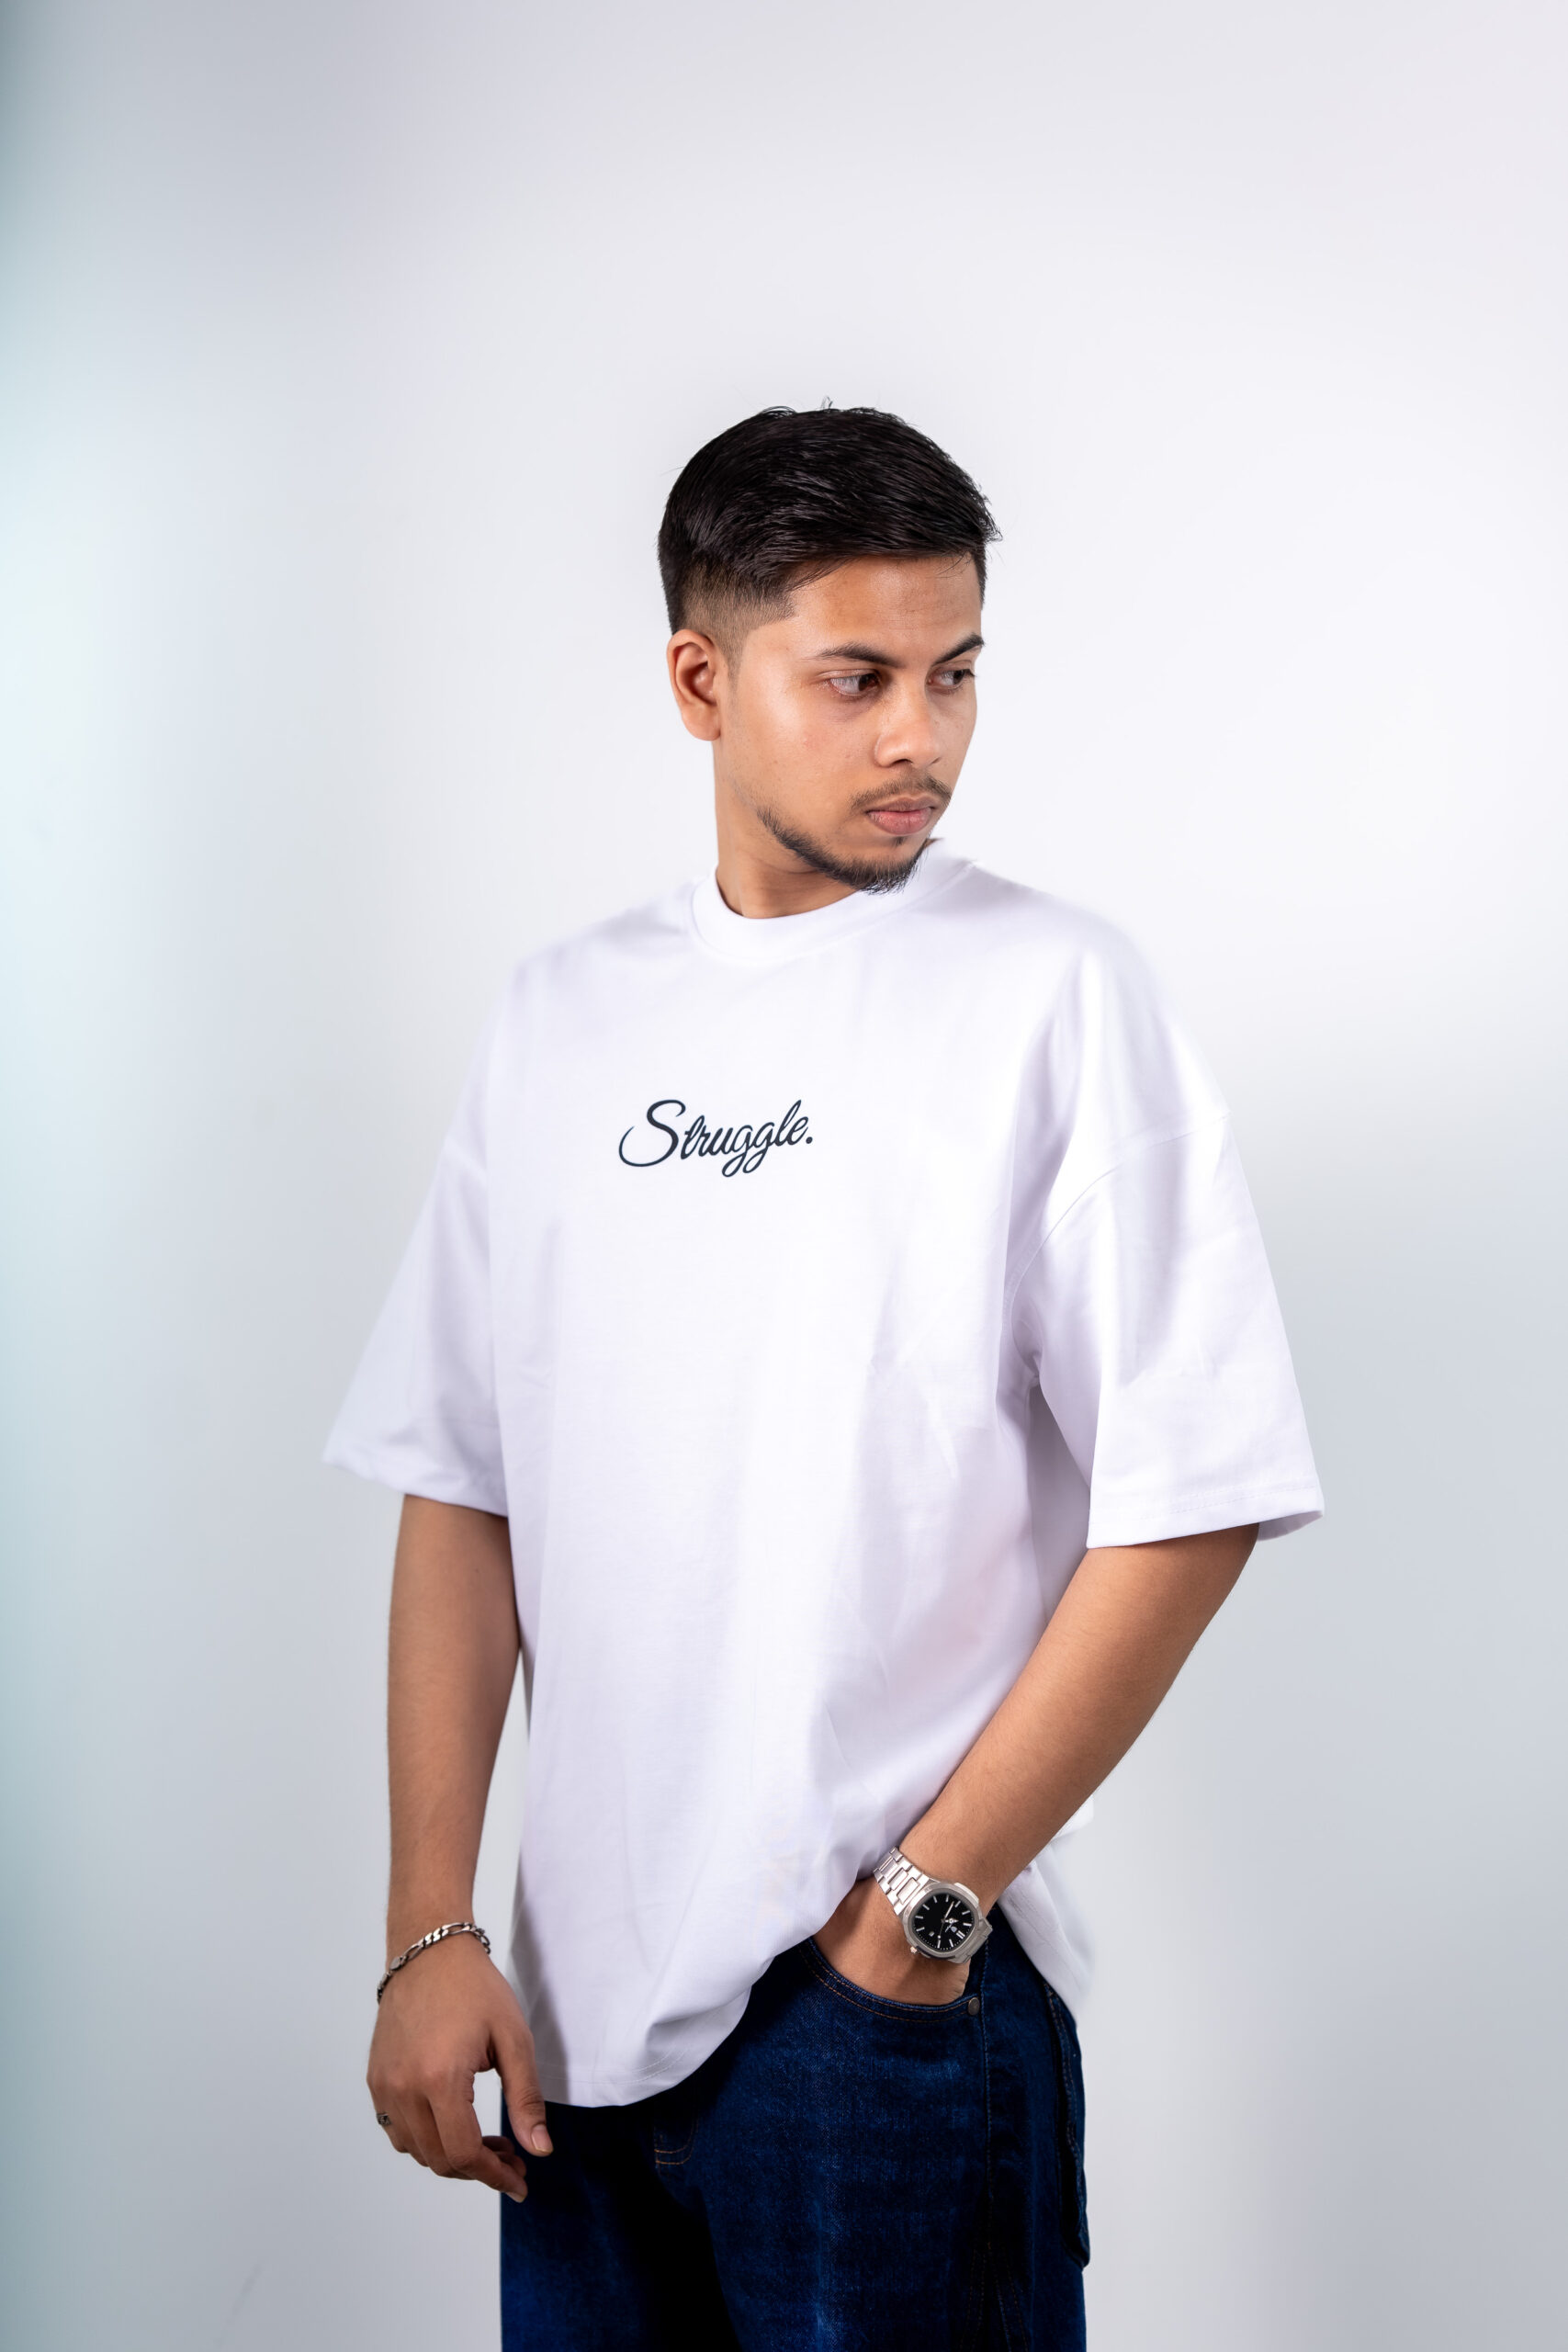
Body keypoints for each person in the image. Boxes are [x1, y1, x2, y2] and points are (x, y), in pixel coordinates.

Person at [325, 404, 1322, 2350]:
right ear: (701, 681)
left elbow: (1192, 1498)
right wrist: (428, 1924)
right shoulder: (558, 1020)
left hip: (878, 2023)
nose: (918, 738)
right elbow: (463, 1482)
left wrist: (921, 1916)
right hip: (574, 2034)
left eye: (955, 674)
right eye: (856, 678)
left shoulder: (1050, 993)